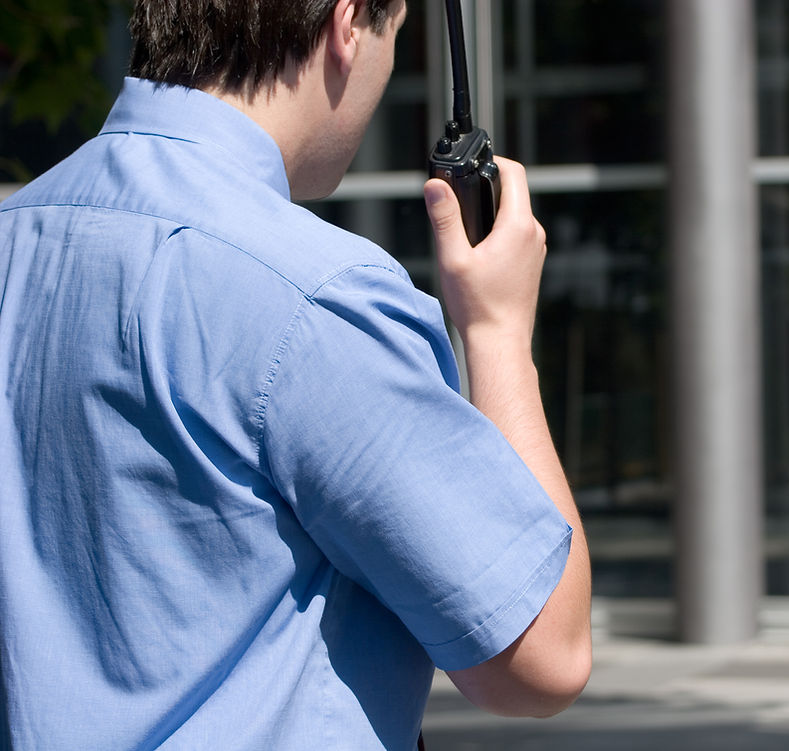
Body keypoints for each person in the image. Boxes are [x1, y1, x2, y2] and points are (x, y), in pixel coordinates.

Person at [0, 1, 591, 748]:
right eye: (394, 37)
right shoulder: (314, 296)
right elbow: (540, 655)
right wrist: (498, 331)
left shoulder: (17, 236)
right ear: (346, 26)